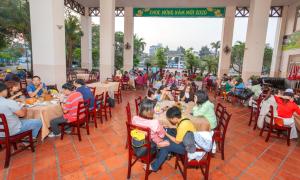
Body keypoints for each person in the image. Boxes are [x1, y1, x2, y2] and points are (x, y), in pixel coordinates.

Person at [150, 106, 196, 171]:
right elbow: (178, 131)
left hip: (187, 147)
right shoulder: (182, 117)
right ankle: (163, 154)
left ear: (175, 118)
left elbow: (177, 141)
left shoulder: (183, 125)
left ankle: (154, 166)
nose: (169, 120)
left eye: (170, 119)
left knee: (165, 145)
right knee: (166, 131)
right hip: (184, 139)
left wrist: (166, 133)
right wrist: (166, 129)